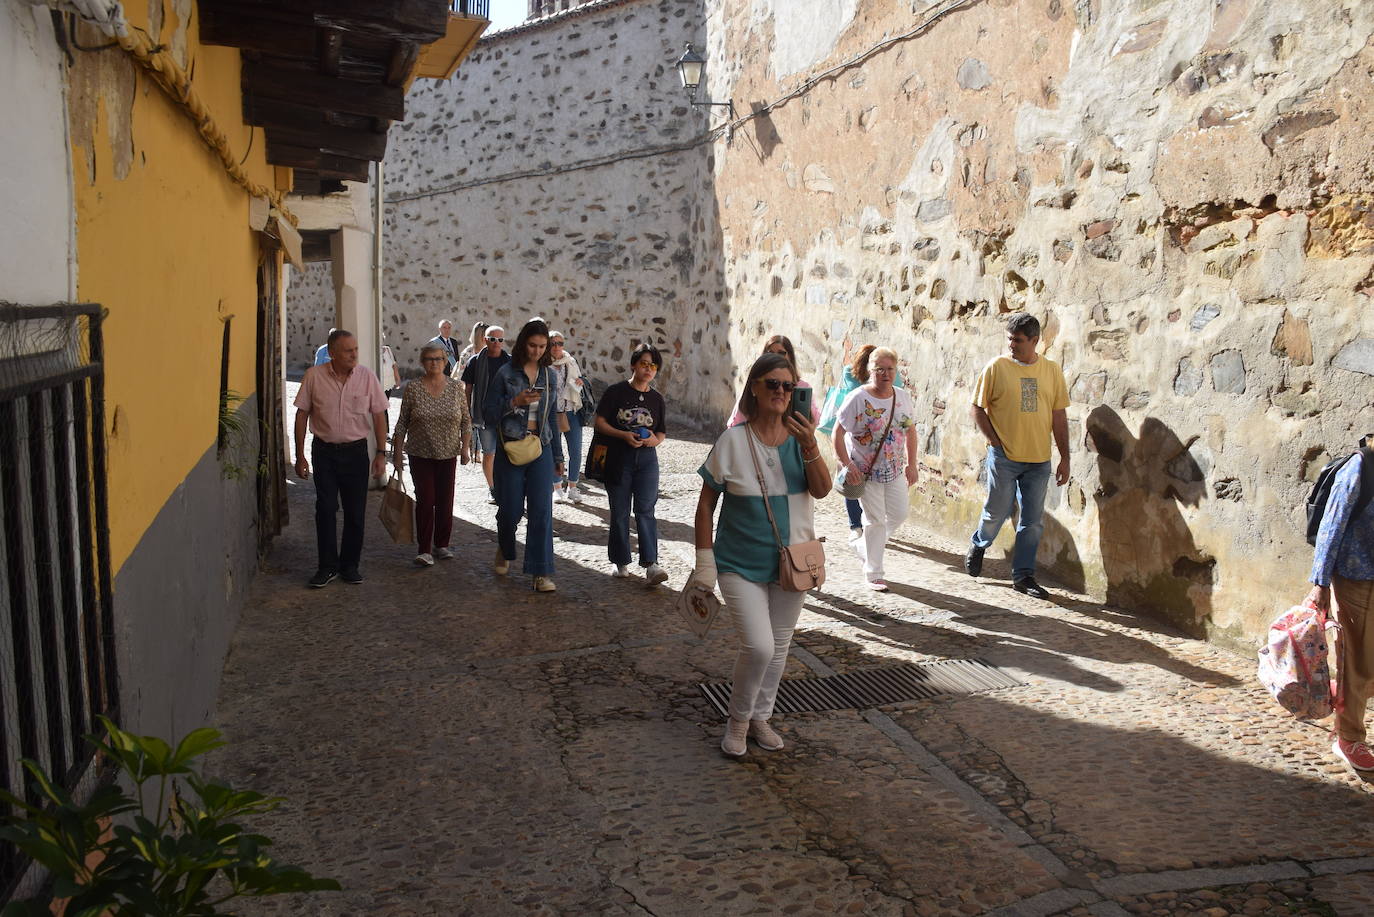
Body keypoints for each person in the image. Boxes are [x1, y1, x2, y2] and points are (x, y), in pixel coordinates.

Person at [689, 353, 831, 757]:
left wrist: (810, 446)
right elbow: (705, 504)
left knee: (780, 646)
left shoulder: (802, 441)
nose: (781, 393)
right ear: (754, 387)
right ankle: (737, 720)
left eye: (789, 387)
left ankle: (759, 718)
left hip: (793, 561)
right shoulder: (733, 441)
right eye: (773, 384)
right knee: (759, 646)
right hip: (738, 563)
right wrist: (705, 562)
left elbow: (821, 490)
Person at [964, 312, 1070, 599]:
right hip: (1004, 457)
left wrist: (1065, 457)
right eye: (1010, 339)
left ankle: (1023, 576)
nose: (1012, 344)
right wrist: (994, 441)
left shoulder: (1051, 371)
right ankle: (980, 542)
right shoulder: (997, 367)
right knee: (996, 511)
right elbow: (977, 407)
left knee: (1032, 521)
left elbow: (1059, 416)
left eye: (1018, 340)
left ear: (1035, 341)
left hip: (1038, 460)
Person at [293, 329, 389, 588]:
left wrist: (381, 453)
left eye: (355, 349)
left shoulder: (366, 377)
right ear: (332, 353)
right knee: (325, 509)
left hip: (356, 453)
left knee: (356, 512)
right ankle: (327, 566)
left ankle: (349, 565)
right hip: (324, 453)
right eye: (348, 351)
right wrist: (300, 455)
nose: (354, 354)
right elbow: (302, 414)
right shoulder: (314, 376)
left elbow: (379, 415)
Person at [483, 319, 565, 593]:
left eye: (542, 346)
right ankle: (505, 547)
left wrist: (558, 456)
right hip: (511, 448)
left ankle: (540, 573)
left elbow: (551, 418)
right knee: (511, 510)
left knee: (542, 511)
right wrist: (514, 402)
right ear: (522, 343)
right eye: (532, 345)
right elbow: (488, 413)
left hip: (539, 448)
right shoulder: (506, 373)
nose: (537, 351)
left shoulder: (549, 376)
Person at [1308, 437, 1374, 772]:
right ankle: (1348, 737)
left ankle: (1344, 700)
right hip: (1357, 577)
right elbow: (1330, 527)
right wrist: (1319, 583)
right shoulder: (1359, 467)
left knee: (1367, 663)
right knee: (1359, 661)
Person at [834, 347, 918, 592]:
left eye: (890, 369)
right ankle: (874, 573)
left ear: (896, 370)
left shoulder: (902, 397)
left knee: (899, 514)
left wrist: (912, 463)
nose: (885, 373)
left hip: (894, 470)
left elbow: (910, 431)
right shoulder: (858, 398)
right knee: (874, 521)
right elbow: (838, 434)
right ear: (870, 370)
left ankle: (863, 547)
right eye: (879, 369)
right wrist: (848, 465)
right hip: (865, 471)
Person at [594, 344, 669, 584]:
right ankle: (621, 561)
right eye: (645, 364)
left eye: (653, 366)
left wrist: (655, 441)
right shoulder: (616, 392)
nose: (649, 369)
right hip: (618, 457)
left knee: (646, 509)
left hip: (647, 460)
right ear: (633, 365)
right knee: (619, 511)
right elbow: (600, 423)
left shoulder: (657, 399)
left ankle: (651, 564)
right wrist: (623, 435)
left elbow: (662, 431)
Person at [392, 343, 472, 566]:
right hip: (420, 453)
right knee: (426, 500)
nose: (434, 363)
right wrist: (397, 456)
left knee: (446, 501)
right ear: (422, 362)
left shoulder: (457, 388)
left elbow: (466, 421)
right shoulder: (413, 388)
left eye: (438, 359)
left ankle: (442, 544)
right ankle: (424, 548)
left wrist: (465, 448)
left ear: (446, 362)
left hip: (448, 453)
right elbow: (401, 424)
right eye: (429, 359)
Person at [819, 345, 905, 541]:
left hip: (860, 436)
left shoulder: (851, 371)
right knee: (855, 479)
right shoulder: (852, 374)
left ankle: (857, 525)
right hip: (859, 437)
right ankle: (862, 526)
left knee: (854, 483)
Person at [726, 335, 821, 428]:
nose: (780, 390)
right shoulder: (758, 384)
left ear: (790, 357)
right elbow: (736, 422)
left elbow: (815, 420)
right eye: (772, 384)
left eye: (788, 386)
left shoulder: (802, 387)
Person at [463, 325, 510, 503]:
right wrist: (467, 411)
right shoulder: (475, 361)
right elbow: (467, 388)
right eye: (492, 339)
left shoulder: (510, 362)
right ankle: (492, 489)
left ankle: (506, 487)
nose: (496, 343)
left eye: (500, 340)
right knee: (489, 453)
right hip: (483, 416)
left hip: (506, 415)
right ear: (485, 340)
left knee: (507, 454)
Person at [548, 331, 587, 505]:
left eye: (560, 343)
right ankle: (557, 488)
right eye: (553, 343)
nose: (557, 347)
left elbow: (579, 380)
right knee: (556, 453)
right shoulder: (543, 364)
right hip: (552, 414)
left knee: (576, 451)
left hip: (571, 411)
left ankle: (572, 487)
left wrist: (580, 382)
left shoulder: (570, 362)